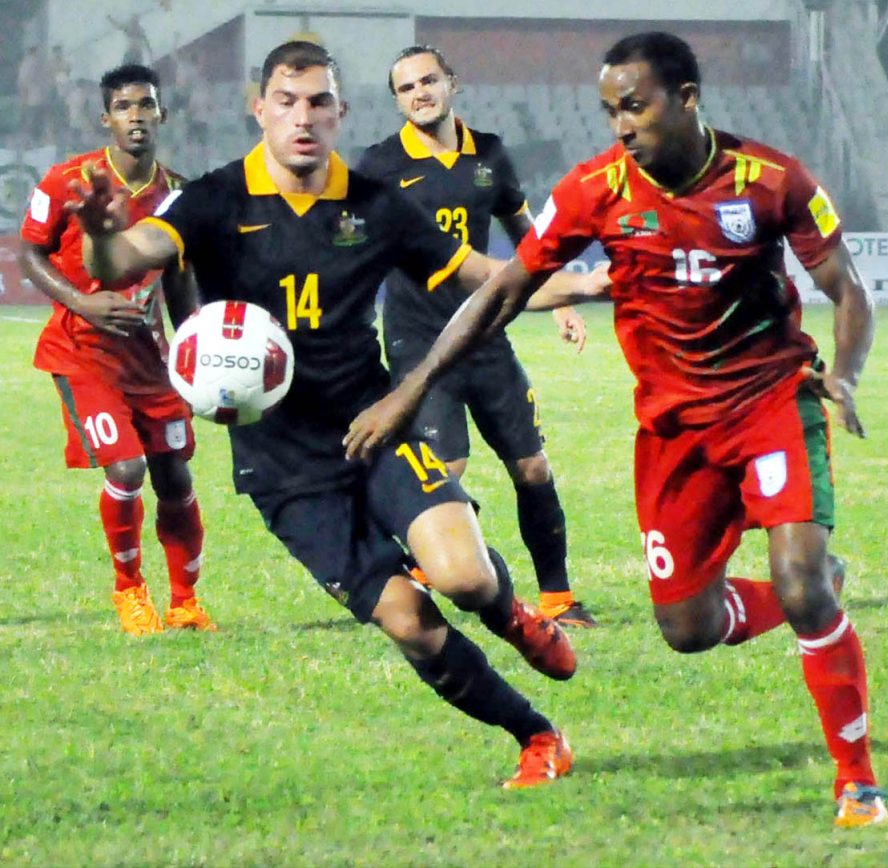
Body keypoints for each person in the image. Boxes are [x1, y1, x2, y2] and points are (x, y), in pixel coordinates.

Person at [344, 32, 888, 827]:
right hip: (671, 431)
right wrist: (412, 387)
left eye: (633, 106)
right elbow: (503, 290)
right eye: (609, 111)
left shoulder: (769, 180)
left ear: (687, 98)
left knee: (801, 585)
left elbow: (846, 288)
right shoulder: (594, 190)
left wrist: (841, 374)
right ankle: (813, 588)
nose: (620, 125)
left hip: (770, 402)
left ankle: (856, 780)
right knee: (686, 627)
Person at [68, 41, 593, 787]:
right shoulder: (216, 199)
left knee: (465, 578)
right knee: (410, 620)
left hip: (371, 425)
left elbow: (486, 279)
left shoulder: (376, 205)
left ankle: (514, 615)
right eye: (286, 101)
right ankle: (537, 736)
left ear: (340, 113)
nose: (302, 117)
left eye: (318, 102)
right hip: (280, 463)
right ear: (260, 110)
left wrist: (584, 283)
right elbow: (121, 262)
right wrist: (96, 233)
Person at [356, 46, 597, 628]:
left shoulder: (488, 154)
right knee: (447, 470)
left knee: (533, 469)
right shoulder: (378, 165)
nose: (420, 93)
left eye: (429, 81)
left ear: (452, 84)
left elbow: (524, 229)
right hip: (420, 343)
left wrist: (559, 297)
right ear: (396, 100)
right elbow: (352, 244)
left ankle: (559, 600)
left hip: (488, 335)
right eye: (407, 87)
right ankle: (413, 573)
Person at [20, 64, 215, 636]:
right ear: (106, 119)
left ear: (162, 114)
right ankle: (129, 591)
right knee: (126, 468)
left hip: (148, 362)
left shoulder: (178, 195)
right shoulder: (68, 180)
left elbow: (179, 280)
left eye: (146, 105)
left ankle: (185, 603)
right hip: (81, 356)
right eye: (125, 107)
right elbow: (32, 253)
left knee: (175, 477)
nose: (136, 116)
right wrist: (84, 303)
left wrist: (197, 352)